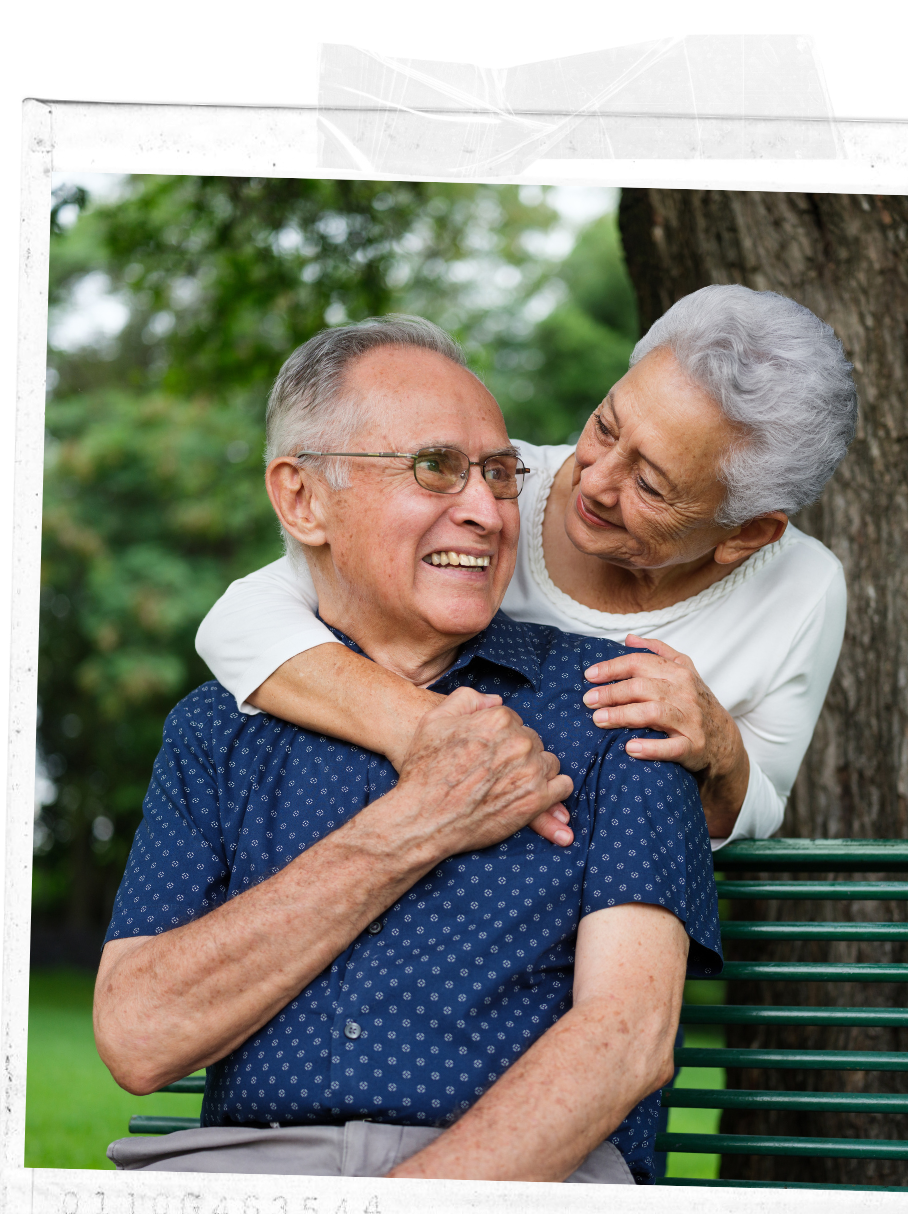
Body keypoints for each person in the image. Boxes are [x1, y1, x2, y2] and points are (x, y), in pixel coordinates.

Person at [95, 317, 721, 1185]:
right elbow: (137, 1034)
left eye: (500, 473)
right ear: (303, 499)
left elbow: (630, 1041)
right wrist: (415, 824)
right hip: (258, 1181)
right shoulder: (215, 732)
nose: (485, 510)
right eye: (434, 467)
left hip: (524, 1192)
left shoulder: (617, 701)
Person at [195, 285, 857, 848]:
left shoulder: (802, 587)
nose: (593, 480)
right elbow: (241, 621)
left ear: (746, 534)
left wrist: (721, 751)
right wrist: (431, 732)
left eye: (650, 486)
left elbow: (757, 803)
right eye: (604, 425)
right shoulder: (487, 490)